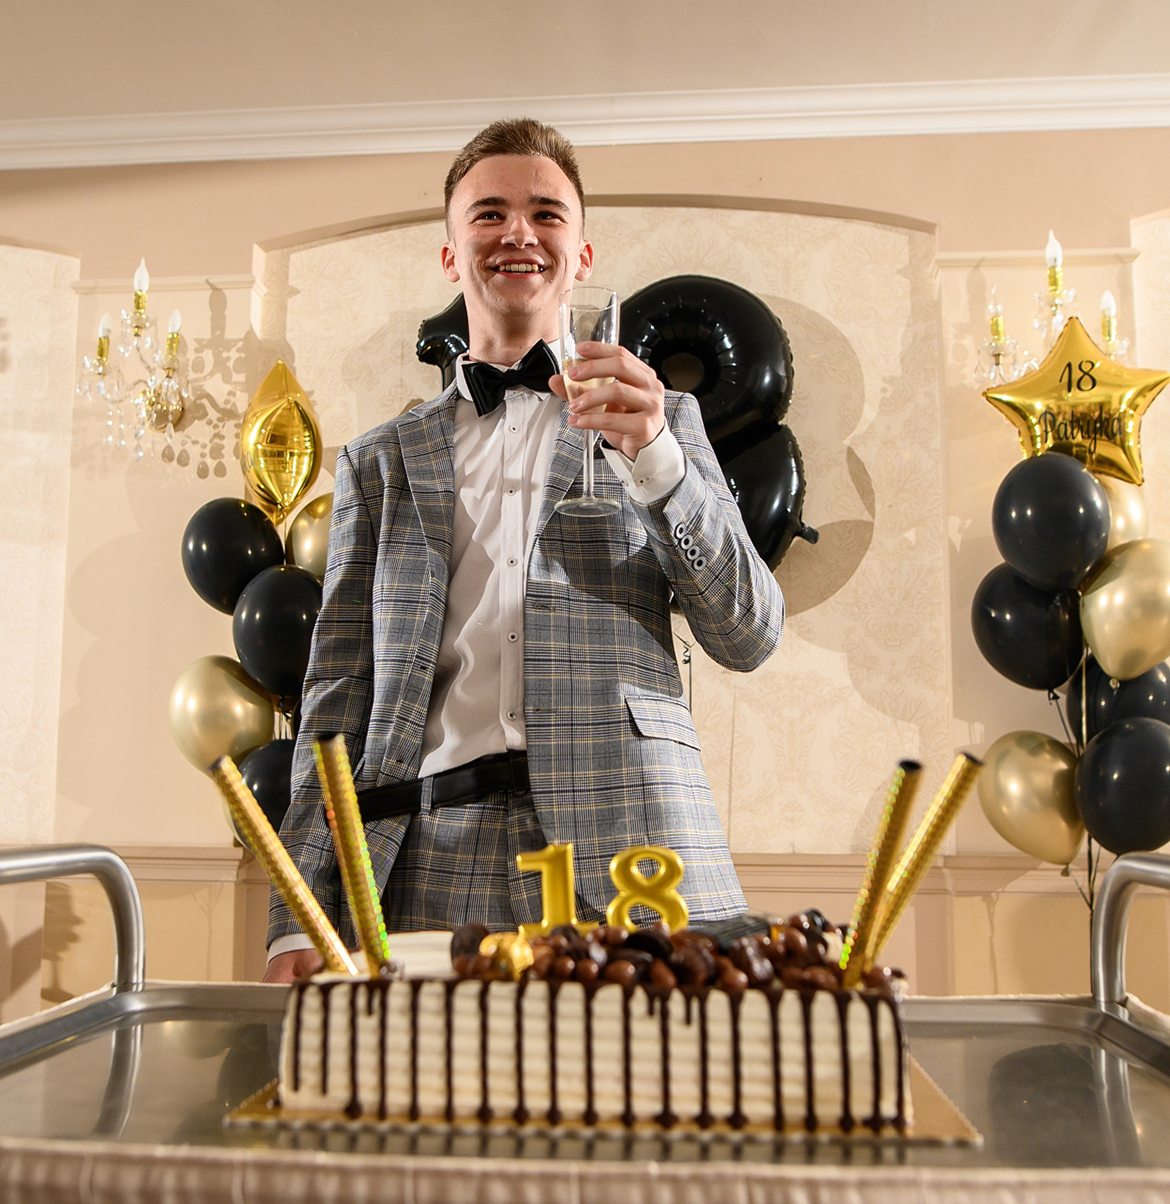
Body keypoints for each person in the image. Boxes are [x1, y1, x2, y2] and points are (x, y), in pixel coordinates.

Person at [263, 119, 782, 983]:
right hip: (428, 860)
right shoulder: (378, 463)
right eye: (489, 213)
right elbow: (335, 704)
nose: (518, 232)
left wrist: (656, 460)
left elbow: (749, 633)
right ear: (450, 254)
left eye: (546, 213)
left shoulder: (666, 422)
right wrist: (298, 919)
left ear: (581, 256)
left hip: (634, 843)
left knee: (647, 1075)